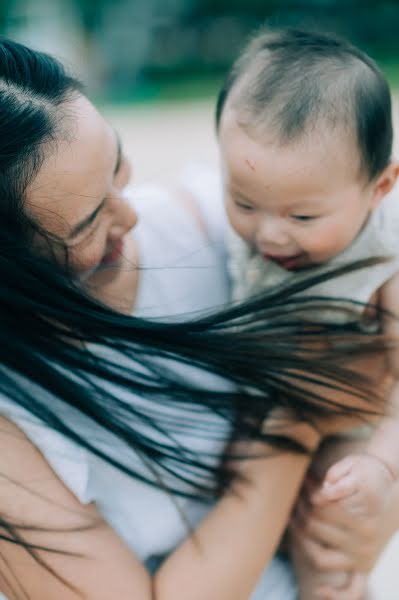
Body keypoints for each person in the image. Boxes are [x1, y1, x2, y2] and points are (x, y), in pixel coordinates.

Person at [0, 36, 389, 600]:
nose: (129, 215)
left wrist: (368, 506)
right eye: (87, 225)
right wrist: (294, 423)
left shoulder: (233, 227)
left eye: (117, 165)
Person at [214, 27, 399, 598]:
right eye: (244, 202)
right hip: (269, 416)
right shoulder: (273, 219)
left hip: (351, 439)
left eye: (302, 218)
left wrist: (381, 467)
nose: (268, 233)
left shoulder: (383, 269)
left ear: (380, 187)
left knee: (328, 547)